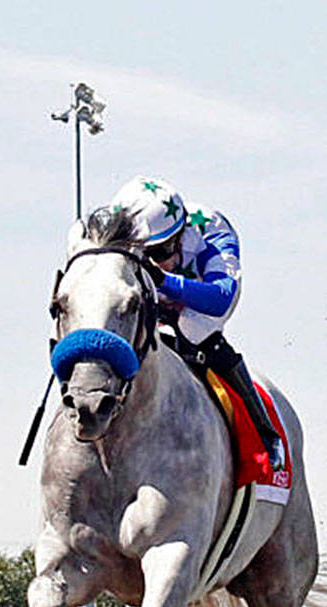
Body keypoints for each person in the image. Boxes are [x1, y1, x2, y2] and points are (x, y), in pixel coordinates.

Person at [110, 175, 286, 471]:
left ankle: (264, 432)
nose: (152, 261)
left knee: (193, 331)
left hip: (202, 299)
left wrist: (164, 280)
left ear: (180, 236)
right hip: (153, 298)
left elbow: (221, 297)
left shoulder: (211, 230)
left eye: (160, 253)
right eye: (144, 254)